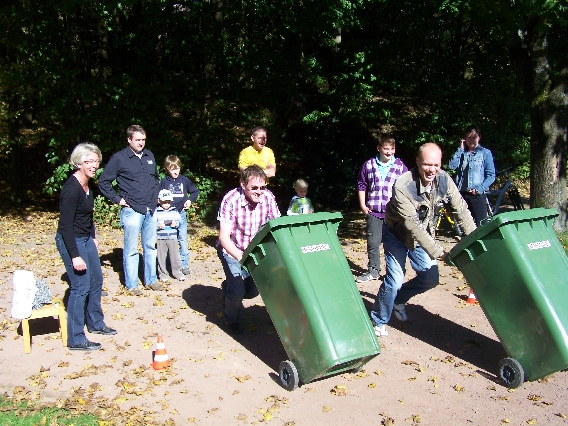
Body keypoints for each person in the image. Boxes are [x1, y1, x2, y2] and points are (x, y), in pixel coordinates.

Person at [370, 143, 476, 337]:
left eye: (436, 165)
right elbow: (412, 225)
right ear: (418, 162)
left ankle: (399, 299)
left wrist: (474, 238)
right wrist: (439, 252)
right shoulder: (403, 185)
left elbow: (461, 210)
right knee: (395, 279)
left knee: (430, 278)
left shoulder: (444, 180)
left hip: (422, 234)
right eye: (427, 164)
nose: (432, 170)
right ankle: (378, 320)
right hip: (397, 234)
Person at [55, 143, 116, 351]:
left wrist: (93, 237)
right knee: (80, 286)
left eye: (96, 161)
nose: (94, 165)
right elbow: (65, 225)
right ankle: (76, 338)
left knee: (96, 280)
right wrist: (75, 256)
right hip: (71, 240)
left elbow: (87, 216)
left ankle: (96, 323)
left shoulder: (88, 185)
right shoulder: (71, 189)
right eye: (89, 161)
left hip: (85, 238)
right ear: (78, 162)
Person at [217, 165, 281, 334]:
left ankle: (228, 288)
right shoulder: (231, 200)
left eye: (262, 187)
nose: (259, 192)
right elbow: (224, 238)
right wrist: (241, 257)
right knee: (238, 290)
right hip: (232, 250)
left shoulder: (268, 197)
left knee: (253, 291)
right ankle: (231, 320)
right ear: (243, 184)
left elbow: (276, 227)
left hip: (254, 251)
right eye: (254, 188)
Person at [98, 125, 161, 295]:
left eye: (143, 140)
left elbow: (155, 178)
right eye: (137, 140)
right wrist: (118, 200)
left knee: (150, 246)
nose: (141, 143)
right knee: (131, 250)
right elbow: (103, 182)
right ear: (129, 140)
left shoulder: (149, 155)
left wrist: (156, 197)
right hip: (132, 210)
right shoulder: (119, 158)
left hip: (151, 209)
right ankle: (132, 285)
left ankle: (151, 280)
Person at [356, 134, 408, 283]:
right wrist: (362, 205)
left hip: (393, 214)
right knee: (373, 243)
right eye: (386, 149)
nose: (389, 152)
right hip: (374, 212)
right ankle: (373, 270)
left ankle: (394, 273)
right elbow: (361, 184)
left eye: (392, 149)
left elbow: (407, 187)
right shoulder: (369, 165)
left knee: (393, 245)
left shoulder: (400, 166)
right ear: (378, 148)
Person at [159, 155, 200, 275]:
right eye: (172, 169)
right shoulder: (164, 182)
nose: (175, 171)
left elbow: (194, 192)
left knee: (182, 239)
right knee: (170, 240)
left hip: (181, 214)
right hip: (168, 215)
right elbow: (158, 197)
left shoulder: (184, 180)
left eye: (177, 168)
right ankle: (170, 263)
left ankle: (184, 264)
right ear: (167, 169)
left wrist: (190, 201)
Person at [448, 126, 496, 226]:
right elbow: (451, 166)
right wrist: (460, 149)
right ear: (465, 139)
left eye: (474, 137)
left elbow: (491, 175)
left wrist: (479, 189)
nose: (471, 140)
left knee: (481, 225)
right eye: (469, 137)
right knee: (465, 225)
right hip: (462, 195)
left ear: (479, 137)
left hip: (476, 195)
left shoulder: (485, 153)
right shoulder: (462, 154)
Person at [155, 189, 186, 283]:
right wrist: (158, 225)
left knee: (175, 256)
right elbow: (152, 224)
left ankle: (177, 272)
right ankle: (163, 274)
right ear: (159, 201)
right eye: (164, 202)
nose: (167, 204)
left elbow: (180, 221)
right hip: (161, 237)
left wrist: (175, 223)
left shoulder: (174, 210)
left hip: (172, 237)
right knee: (161, 257)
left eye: (169, 202)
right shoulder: (156, 211)